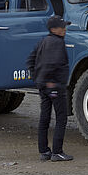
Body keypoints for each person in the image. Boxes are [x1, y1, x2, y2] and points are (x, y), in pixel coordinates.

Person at [26, 15, 73, 162]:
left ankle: (44, 151)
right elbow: (52, 64)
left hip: (43, 86)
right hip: (54, 87)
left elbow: (30, 60)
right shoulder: (56, 43)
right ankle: (57, 152)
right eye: (62, 27)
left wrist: (38, 79)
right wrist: (52, 83)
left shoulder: (43, 41)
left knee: (44, 118)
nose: (64, 29)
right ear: (54, 29)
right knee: (61, 118)